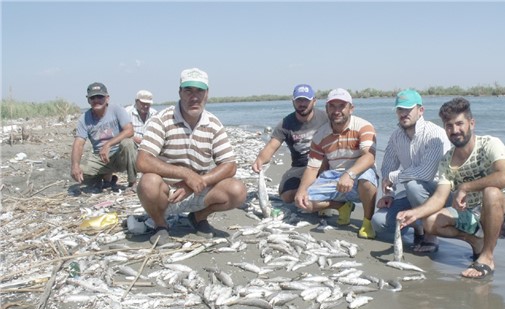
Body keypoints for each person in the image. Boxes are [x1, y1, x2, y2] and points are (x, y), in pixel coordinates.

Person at [397, 97, 505, 279]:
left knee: (490, 193)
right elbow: (439, 198)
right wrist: (415, 214)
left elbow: (504, 177)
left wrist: (465, 187)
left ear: (471, 123)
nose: (455, 130)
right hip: (475, 215)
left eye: (460, 124)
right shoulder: (447, 160)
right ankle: (477, 242)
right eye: (449, 126)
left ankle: (487, 257)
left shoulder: (490, 144)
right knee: (430, 222)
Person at [136, 67, 247, 245]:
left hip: (197, 190)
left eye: (199, 91)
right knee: (147, 182)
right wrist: (185, 174)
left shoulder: (213, 124)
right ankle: (160, 224)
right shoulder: (162, 119)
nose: (194, 97)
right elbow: (142, 160)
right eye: (188, 91)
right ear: (180, 92)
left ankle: (197, 218)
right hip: (166, 192)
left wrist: (199, 181)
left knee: (237, 190)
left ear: (207, 94)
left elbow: (230, 165)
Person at [372, 89, 451, 253]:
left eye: (408, 109)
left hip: (442, 195)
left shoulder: (435, 133)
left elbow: (426, 173)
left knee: (413, 185)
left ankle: (431, 235)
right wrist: (388, 194)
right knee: (378, 222)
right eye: (400, 109)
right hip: (413, 194)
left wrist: (394, 178)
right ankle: (418, 227)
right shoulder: (396, 136)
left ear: (420, 110)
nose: (404, 113)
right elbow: (387, 166)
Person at [294, 88, 379, 239]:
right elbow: (312, 168)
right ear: (326, 108)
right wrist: (301, 190)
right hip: (333, 178)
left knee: (367, 179)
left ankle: (367, 222)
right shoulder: (320, 135)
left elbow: (369, 157)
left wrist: (349, 174)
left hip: (359, 175)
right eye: (332, 106)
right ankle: (342, 206)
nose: (337, 110)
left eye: (342, 106)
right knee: (304, 203)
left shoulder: (364, 127)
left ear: (351, 109)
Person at [251, 84, 328, 203]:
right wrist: (260, 160)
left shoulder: (325, 118)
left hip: (323, 164)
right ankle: (314, 193)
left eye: (306, 100)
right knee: (286, 196)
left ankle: (320, 195)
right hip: (300, 167)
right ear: (293, 101)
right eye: (299, 100)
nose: (302, 104)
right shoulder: (285, 124)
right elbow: (271, 146)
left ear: (314, 101)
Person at [70, 82, 136, 190]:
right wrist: (75, 165)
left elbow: (129, 130)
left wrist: (108, 144)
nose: (96, 100)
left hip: (120, 155)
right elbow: (79, 143)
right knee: (78, 172)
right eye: (93, 98)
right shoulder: (84, 119)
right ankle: (105, 179)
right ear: (88, 100)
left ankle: (132, 183)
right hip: (100, 158)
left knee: (128, 143)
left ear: (107, 98)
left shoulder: (116, 109)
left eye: (100, 97)